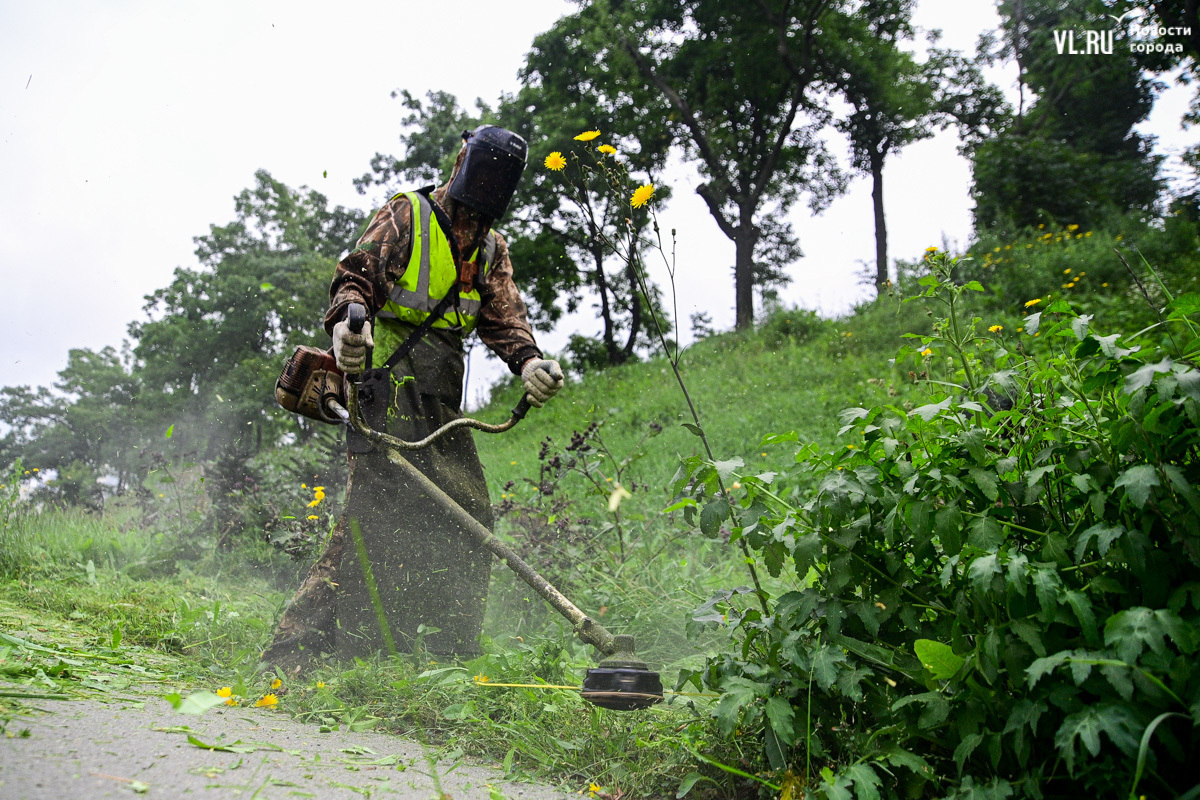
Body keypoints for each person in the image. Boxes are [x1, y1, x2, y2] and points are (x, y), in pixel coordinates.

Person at [263, 125, 564, 672]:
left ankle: (445, 652)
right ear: (462, 162)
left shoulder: (491, 248)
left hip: (443, 399)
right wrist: (347, 330)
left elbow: (505, 317)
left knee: (467, 513)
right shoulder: (408, 215)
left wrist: (530, 363)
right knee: (373, 517)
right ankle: (295, 652)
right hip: (384, 383)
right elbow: (355, 278)